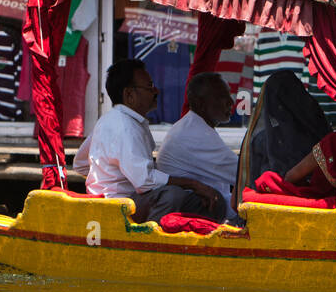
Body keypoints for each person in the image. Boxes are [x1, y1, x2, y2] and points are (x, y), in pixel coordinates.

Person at [73, 59, 226, 224]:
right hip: (118, 204)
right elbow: (144, 181)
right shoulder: (124, 126)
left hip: (133, 199)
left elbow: (80, 163)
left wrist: (105, 174)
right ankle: (147, 239)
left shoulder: (109, 120)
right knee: (171, 195)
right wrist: (193, 184)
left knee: (212, 201)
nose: (156, 91)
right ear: (129, 95)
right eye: (149, 86)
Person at [157, 72, 240, 221]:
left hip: (214, 207)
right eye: (222, 96)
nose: (230, 102)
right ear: (201, 104)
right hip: (199, 213)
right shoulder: (194, 134)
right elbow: (243, 174)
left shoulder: (196, 126)